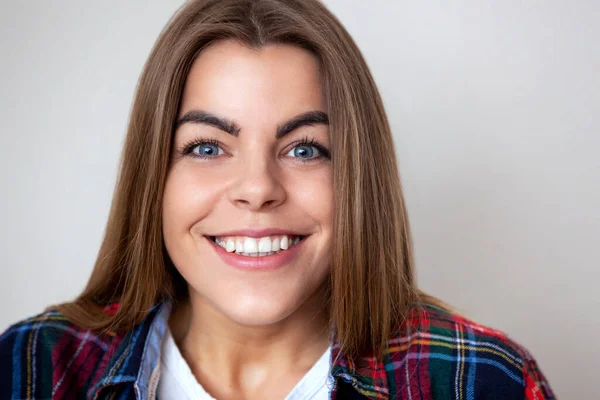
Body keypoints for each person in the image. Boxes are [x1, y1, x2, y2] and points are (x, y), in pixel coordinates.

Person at [0, 0, 556, 399]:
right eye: (207, 146)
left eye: (305, 149)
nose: (258, 188)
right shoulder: (30, 367)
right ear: (153, 179)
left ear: (359, 177)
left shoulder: (484, 380)